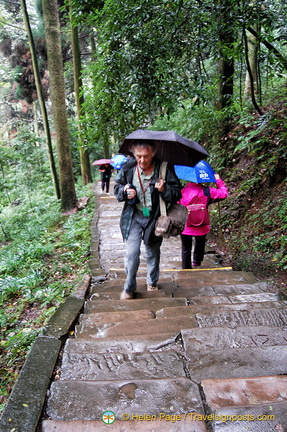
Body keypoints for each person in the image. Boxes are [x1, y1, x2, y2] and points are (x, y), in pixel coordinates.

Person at [114, 140, 181, 300]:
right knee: (132, 253)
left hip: (155, 218)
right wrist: (124, 191)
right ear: (133, 154)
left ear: (153, 153)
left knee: (152, 251)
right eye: (138, 156)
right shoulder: (128, 167)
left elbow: (177, 193)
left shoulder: (164, 167)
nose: (142, 161)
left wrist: (164, 190)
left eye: (146, 156)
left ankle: (152, 281)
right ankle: (129, 288)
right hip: (134, 217)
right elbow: (117, 188)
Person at [178, 174, 228, 269]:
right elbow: (223, 194)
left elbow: (175, 204)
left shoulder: (182, 191)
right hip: (202, 224)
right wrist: (218, 180)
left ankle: (186, 269)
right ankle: (197, 261)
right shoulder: (207, 191)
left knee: (186, 248)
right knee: (200, 243)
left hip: (185, 224)